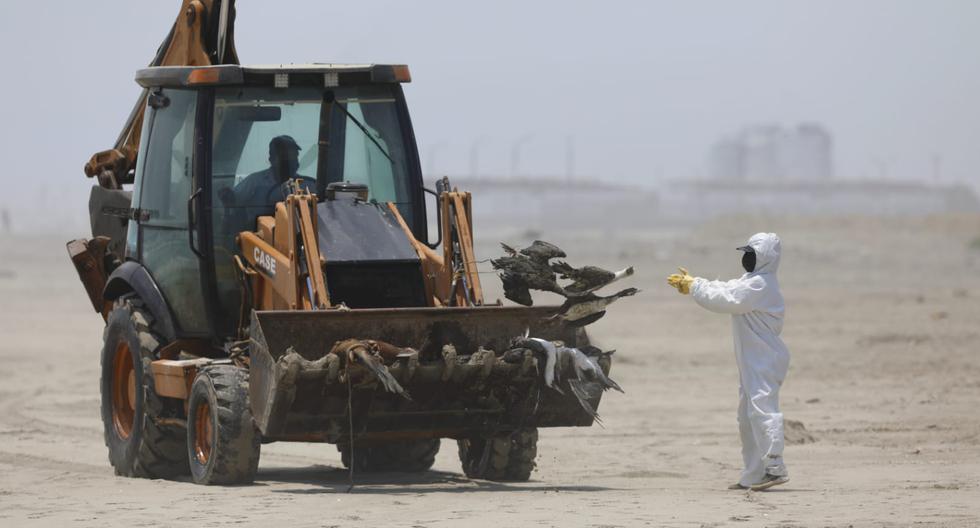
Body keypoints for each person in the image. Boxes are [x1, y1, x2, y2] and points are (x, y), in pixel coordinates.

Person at [666, 232, 790, 491]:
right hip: (752, 359)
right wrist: (696, 282)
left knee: (761, 408)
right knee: (747, 416)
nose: (746, 258)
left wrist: (694, 287)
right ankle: (754, 475)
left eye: (751, 254)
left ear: (764, 258)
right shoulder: (752, 281)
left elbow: (726, 300)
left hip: (764, 358)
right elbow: (726, 289)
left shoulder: (761, 286)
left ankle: (775, 467)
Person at [220, 135, 315, 210]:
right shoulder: (254, 182)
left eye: (294, 156)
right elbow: (233, 201)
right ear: (271, 159)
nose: (290, 161)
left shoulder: (307, 185)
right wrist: (227, 196)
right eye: (284, 157)